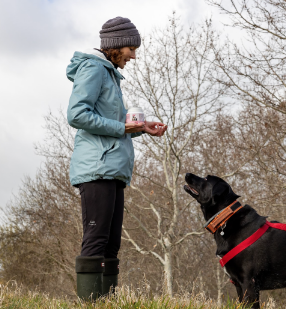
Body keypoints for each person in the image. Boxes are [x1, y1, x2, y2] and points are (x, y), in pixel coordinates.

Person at [66, 16, 167, 300]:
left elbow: (111, 125)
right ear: (116, 45)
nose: (134, 56)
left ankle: (106, 302)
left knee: (111, 244)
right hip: (97, 168)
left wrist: (141, 129)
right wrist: (122, 126)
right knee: (96, 241)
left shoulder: (109, 73)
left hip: (113, 169)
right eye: (131, 49)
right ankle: (89, 303)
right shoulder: (93, 69)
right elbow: (77, 115)